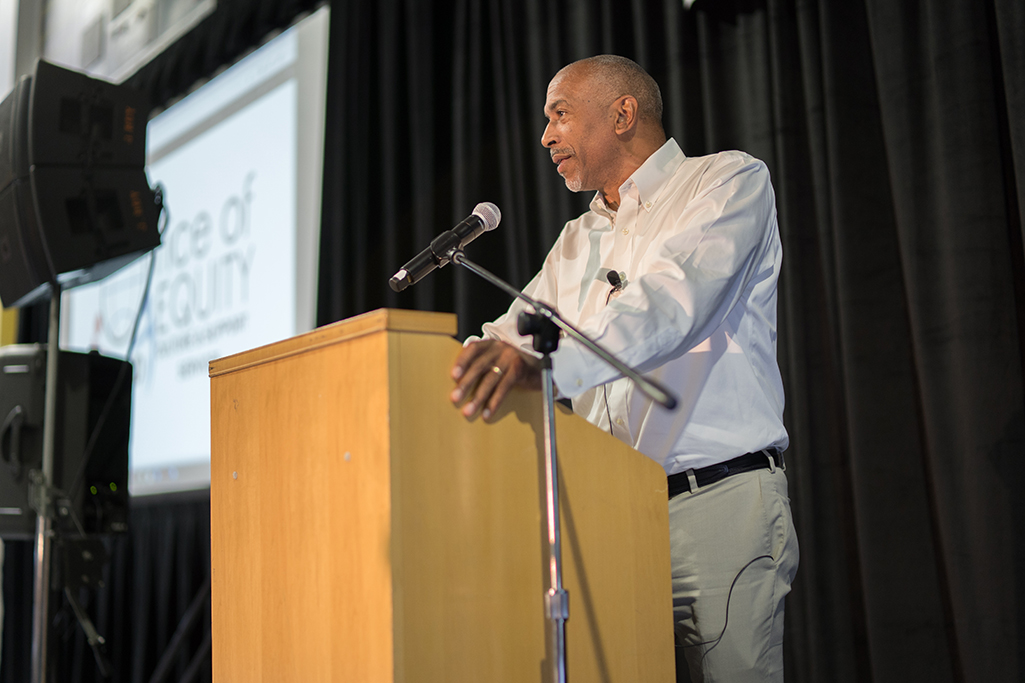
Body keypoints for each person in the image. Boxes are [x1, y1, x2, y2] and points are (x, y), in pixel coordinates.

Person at [449, 55, 799, 682]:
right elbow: (507, 336)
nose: (545, 136)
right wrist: (452, 374)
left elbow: (671, 305)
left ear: (622, 113)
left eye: (559, 114)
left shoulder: (725, 183)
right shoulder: (579, 239)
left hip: (716, 501)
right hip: (611, 513)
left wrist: (544, 370)